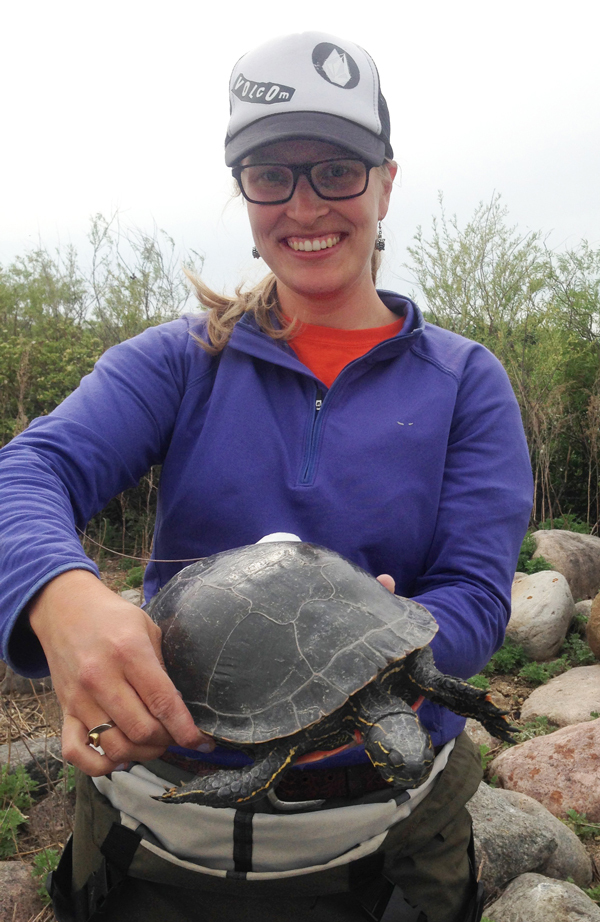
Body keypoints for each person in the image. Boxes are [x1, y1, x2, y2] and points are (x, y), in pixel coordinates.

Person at [0, 31, 533, 922]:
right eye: (269, 173)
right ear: (242, 189)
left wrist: (359, 655)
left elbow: (476, 599)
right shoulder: (181, 360)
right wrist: (62, 596)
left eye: (336, 170)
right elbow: (29, 469)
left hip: (384, 849)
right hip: (160, 845)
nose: (303, 203)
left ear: (387, 181)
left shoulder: (465, 382)